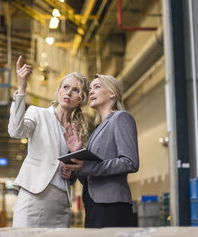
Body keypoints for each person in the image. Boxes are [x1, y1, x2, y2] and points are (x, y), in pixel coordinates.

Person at [8, 55, 89, 228]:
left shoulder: (77, 131)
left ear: (81, 99)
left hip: (61, 202)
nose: (68, 92)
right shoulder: (38, 114)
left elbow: (75, 167)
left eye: (75, 90)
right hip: (34, 195)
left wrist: (72, 174)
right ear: (58, 91)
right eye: (65, 87)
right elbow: (15, 131)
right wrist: (22, 87)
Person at [62, 74, 139, 228]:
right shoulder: (97, 130)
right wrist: (76, 166)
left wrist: (86, 166)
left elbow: (130, 163)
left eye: (97, 87)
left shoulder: (121, 118)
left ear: (112, 93)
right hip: (93, 204)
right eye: (90, 89)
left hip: (112, 205)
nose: (91, 92)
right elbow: (91, 176)